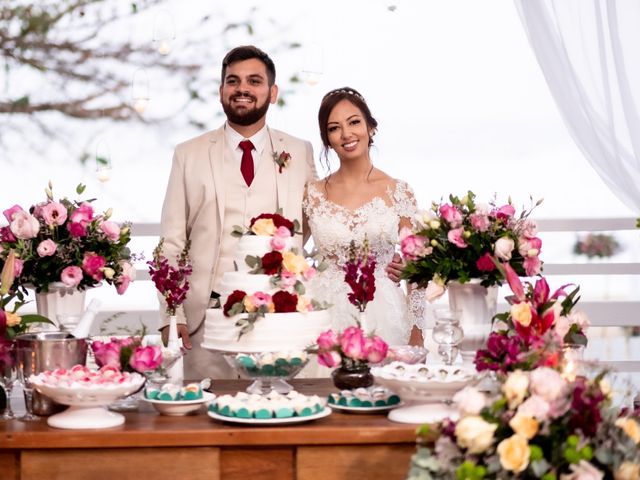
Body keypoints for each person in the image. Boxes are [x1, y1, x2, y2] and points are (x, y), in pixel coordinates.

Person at [158, 45, 317, 379]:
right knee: (207, 422)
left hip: (281, 317)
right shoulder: (188, 154)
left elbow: (319, 224)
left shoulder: (300, 152)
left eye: (254, 81)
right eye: (233, 81)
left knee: (279, 417)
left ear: (272, 93)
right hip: (205, 321)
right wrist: (172, 316)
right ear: (221, 92)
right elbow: (170, 242)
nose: (242, 88)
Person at [303, 87, 424, 346]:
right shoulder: (312, 195)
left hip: (386, 319)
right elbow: (290, 257)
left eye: (354, 122)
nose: (346, 134)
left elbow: (419, 272)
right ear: (327, 138)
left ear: (371, 127)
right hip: (323, 320)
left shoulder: (399, 191)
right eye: (334, 128)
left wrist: (417, 335)